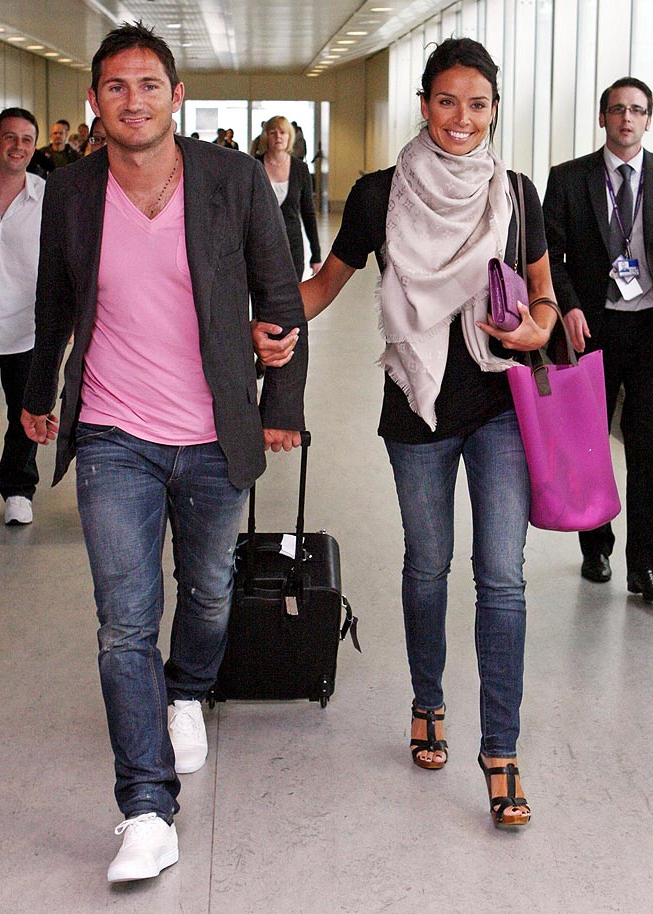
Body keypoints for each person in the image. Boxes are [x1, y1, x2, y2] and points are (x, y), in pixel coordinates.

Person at [20, 20, 307, 882]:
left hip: (215, 429)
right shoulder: (71, 192)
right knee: (121, 621)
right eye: (116, 87)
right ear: (94, 102)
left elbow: (279, 289)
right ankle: (146, 807)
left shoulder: (230, 179)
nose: (133, 101)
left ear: (176, 98)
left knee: (210, 588)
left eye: (149, 85)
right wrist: (38, 398)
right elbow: (53, 305)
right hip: (115, 433)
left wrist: (280, 403)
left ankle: (188, 688)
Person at [256, 37, 558, 828]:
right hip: (417, 408)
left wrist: (535, 330)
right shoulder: (378, 193)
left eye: (479, 104)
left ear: (496, 110)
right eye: (448, 101)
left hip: (501, 404)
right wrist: (257, 319)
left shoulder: (517, 194)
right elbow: (322, 285)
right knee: (427, 563)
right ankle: (429, 701)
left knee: (502, 575)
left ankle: (502, 750)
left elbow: (545, 298)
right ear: (424, 104)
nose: (463, 119)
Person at [543, 78, 653, 603]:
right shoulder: (568, 179)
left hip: (650, 330)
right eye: (617, 110)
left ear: (647, 119)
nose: (626, 119)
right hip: (594, 328)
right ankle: (597, 547)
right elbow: (550, 255)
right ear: (602, 117)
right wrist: (569, 306)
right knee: (590, 447)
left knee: (648, 450)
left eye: (636, 110)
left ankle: (644, 565)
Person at [0, 108, 45, 547]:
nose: (18, 146)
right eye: (10, 138)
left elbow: (62, 262)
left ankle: (18, 489)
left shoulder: (45, 197)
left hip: (27, 325)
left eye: (26, 139)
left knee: (25, 412)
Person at [257, 116, 321, 280]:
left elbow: (308, 213)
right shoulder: (254, 167)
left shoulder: (300, 169)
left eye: (282, 132)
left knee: (291, 298)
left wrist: (316, 255)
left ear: (289, 136)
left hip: (292, 246)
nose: (278, 137)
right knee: (262, 299)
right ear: (266, 137)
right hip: (260, 246)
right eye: (273, 132)